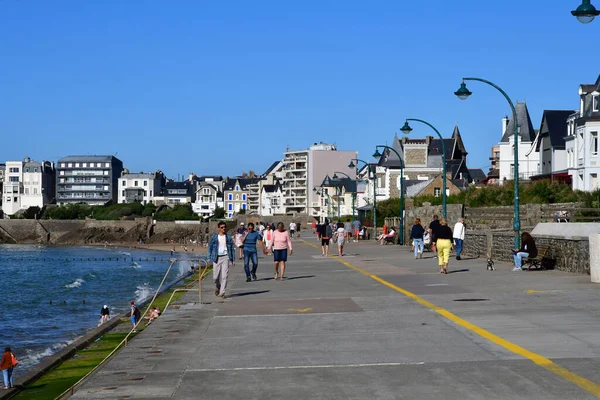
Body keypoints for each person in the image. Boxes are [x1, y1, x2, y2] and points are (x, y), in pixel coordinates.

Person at [208, 221, 236, 298]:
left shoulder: (229, 237)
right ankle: (218, 286)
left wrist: (233, 260)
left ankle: (222, 292)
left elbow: (232, 249)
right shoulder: (214, 237)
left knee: (224, 276)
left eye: (225, 227)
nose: (224, 229)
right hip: (216, 257)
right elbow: (210, 248)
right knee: (215, 277)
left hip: (226, 257)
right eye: (222, 227)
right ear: (219, 228)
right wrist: (208, 258)